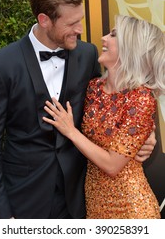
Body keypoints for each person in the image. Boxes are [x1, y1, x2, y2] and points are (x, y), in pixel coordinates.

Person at [0, 0, 155, 219]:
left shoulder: (87, 54)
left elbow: (116, 101)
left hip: (78, 197)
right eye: (72, 23)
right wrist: (0, 216)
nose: (81, 30)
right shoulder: (0, 65)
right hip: (23, 198)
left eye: (81, 20)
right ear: (44, 20)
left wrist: (146, 134)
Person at [43, 15, 165, 219]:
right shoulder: (93, 88)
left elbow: (111, 165)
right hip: (94, 205)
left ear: (130, 48)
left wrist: (71, 131)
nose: (103, 38)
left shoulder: (141, 98)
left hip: (131, 209)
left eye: (114, 35)